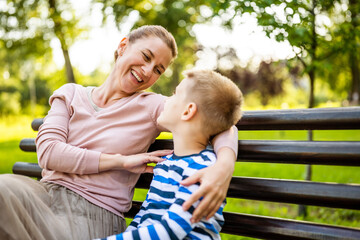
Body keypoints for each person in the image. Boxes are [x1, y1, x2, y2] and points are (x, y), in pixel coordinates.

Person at [0, 25, 238, 240]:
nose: (146, 71)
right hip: (42, 197)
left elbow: (217, 122)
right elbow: (49, 152)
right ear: (123, 46)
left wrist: (223, 167)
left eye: (158, 69)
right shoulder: (70, 93)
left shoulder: (152, 105)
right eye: (146, 57)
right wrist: (121, 161)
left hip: (93, 215)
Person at [97, 69, 243, 240]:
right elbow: (146, 214)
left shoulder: (202, 169)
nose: (167, 98)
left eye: (175, 94)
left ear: (188, 111)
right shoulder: (166, 163)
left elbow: (171, 230)